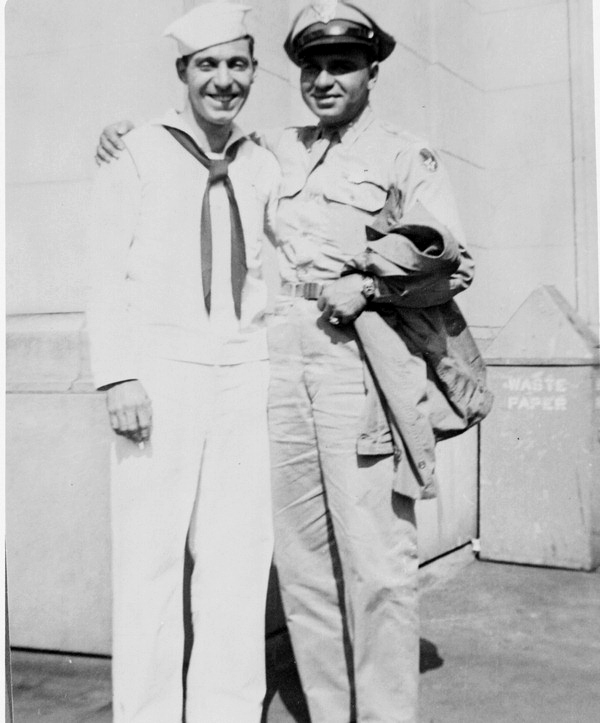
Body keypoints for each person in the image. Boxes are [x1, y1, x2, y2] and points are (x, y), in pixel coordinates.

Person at [95, 3, 479, 721]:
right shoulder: (273, 149)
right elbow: (201, 135)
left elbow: (453, 262)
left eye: (343, 65)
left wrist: (367, 282)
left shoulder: (404, 154)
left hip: (356, 364)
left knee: (377, 561)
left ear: (372, 71)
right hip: (274, 364)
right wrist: (124, 131)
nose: (326, 79)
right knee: (302, 567)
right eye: (313, 66)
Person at [86, 3, 280, 721]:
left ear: (254, 72)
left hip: (244, 371)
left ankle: (226, 711)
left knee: (236, 559)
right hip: (158, 375)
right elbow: (105, 271)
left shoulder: (263, 161)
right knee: (149, 561)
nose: (223, 80)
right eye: (208, 65)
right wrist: (117, 374)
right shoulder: (135, 150)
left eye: (236, 65)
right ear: (183, 74)